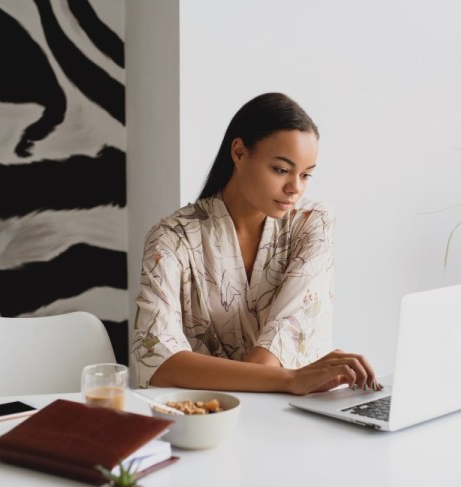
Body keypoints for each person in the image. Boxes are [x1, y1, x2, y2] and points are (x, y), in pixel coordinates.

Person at [131, 92, 379, 395]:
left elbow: (283, 337)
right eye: (281, 170)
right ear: (238, 152)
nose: (295, 188)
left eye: (306, 175)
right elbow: (156, 359)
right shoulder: (172, 238)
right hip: (203, 418)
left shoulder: (312, 223)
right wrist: (290, 380)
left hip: (290, 419)